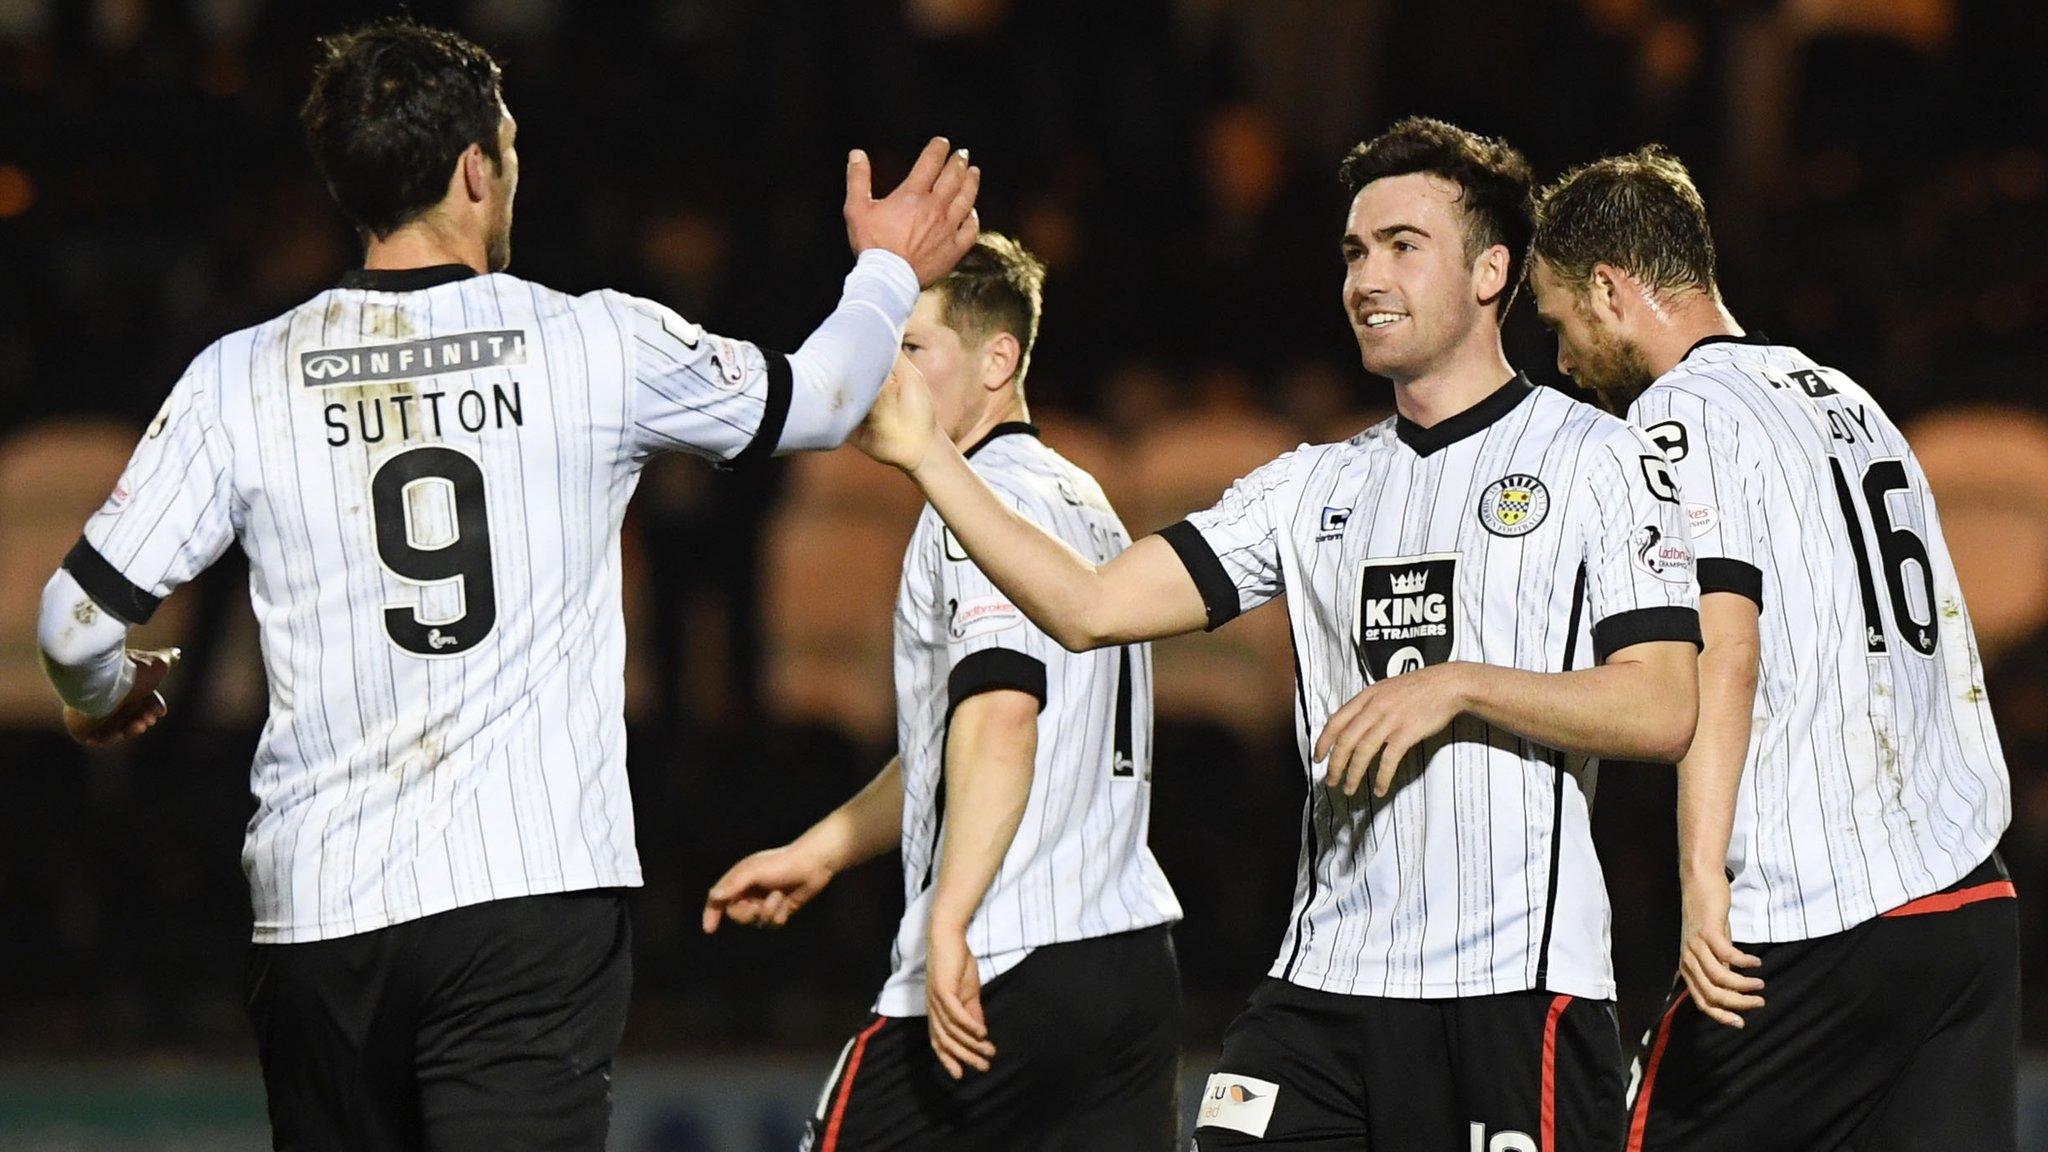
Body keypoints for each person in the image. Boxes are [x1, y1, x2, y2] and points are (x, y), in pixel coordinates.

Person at [34, 17, 980, 1151]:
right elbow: (823, 399)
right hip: (527, 899)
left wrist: (102, 698)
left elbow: (74, 617)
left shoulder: (241, 377)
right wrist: (885, 267)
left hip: (320, 917)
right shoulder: (592, 345)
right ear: (477, 168)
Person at [852, 117, 1702, 1152]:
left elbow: (1660, 704)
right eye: (1352, 250)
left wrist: (1460, 685)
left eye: (1400, 245)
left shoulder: (1599, 459)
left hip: (1511, 990)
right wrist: (931, 463)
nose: (1364, 276)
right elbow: (1087, 608)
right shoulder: (1310, 487)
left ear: (1489, 272)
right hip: (1320, 993)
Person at [1530, 145, 2017, 1152]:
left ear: (1610, 290)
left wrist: (1700, 882)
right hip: (1964, 898)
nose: (1561, 362)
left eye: (1558, 322)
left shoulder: (1672, 419)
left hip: (1814, 918)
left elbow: (1723, 648)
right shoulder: (1848, 401)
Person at [702, 234, 1184, 1152]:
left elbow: (1002, 718)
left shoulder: (978, 508)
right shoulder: (1080, 496)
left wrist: (950, 922)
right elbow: (953, 743)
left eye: (913, 349)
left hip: (1003, 957)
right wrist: (824, 849)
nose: (889, 373)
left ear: (999, 359)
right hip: (1127, 961)